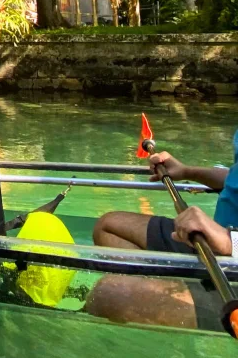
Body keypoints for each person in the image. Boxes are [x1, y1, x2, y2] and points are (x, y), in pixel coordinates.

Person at [87, 137, 238, 332]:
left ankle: (167, 301)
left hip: (228, 251)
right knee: (108, 226)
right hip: (212, 244)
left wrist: (229, 241)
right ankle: (166, 293)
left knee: (108, 294)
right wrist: (187, 172)